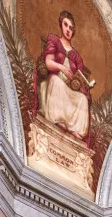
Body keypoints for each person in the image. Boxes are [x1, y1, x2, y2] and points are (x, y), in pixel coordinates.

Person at [36, 10, 91, 144]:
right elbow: (48, 63)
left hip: (69, 88)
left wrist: (80, 82)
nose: (68, 30)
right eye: (66, 25)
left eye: (71, 28)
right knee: (56, 81)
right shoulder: (54, 40)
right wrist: (61, 67)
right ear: (61, 25)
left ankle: (74, 129)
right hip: (54, 80)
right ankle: (58, 119)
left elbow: (79, 76)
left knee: (82, 99)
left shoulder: (76, 56)